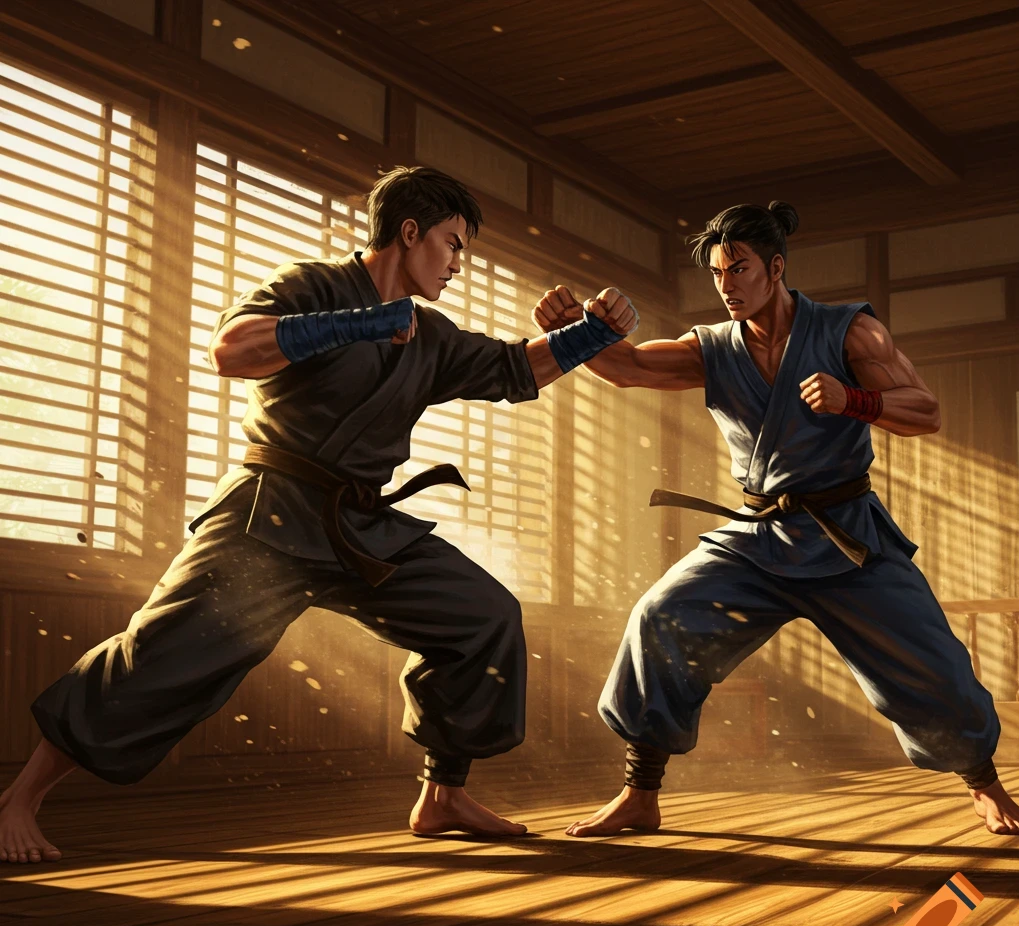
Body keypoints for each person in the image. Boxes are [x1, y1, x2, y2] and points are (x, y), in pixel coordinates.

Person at [0, 165, 639, 862]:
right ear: (409, 231)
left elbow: (517, 369)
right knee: (159, 656)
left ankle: (443, 792)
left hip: (362, 527)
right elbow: (231, 351)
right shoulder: (311, 285)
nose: (457, 264)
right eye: (452, 245)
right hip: (268, 517)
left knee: (483, 618)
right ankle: (19, 799)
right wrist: (357, 325)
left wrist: (594, 335)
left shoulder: (429, 334)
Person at [531, 200, 1019, 838]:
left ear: (776, 267)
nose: (726, 285)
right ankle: (639, 792)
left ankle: (984, 785)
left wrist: (856, 399)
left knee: (933, 663)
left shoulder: (850, 332)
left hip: (846, 536)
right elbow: (626, 368)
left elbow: (925, 411)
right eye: (717, 273)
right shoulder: (712, 348)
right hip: (758, 535)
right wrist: (577, 331)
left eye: (738, 269)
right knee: (661, 618)